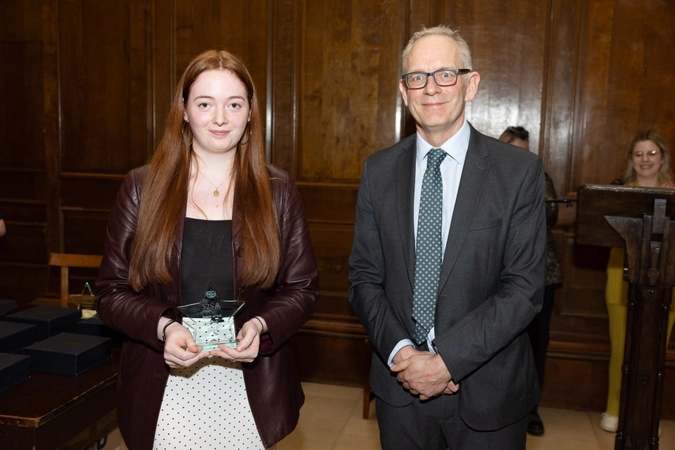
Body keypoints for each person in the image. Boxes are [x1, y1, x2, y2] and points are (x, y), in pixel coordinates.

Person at [95, 49, 319, 450]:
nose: (220, 118)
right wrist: (164, 327)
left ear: (250, 112)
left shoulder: (279, 192)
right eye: (205, 104)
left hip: (249, 386)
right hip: (165, 384)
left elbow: (302, 290)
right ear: (183, 110)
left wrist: (261, 326)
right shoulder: (141, 188)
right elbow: (110, 292)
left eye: (234, 104)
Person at [348, 26, 547, 449]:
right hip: (399, 392)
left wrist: (447, 362)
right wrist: (402, 352)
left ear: (470, 84)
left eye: (444, 74)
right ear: (404, 92)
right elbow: (364, 278)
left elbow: (525, 289)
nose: (430, 88)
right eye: (416, 77)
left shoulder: (518, 173)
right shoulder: (377, 171)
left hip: (488, 395)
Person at [601, 130, 675, 433]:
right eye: (639, 154)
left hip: (667, 286)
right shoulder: (618, 196)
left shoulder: (674, 192)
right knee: (622, 351)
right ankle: (615, 410)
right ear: (631, 160)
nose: (646, 159)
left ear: (663, 158)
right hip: (622, 282)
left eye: (652, 153)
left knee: (655, 354)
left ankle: (648, 416)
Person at [499, 126, 563, 437]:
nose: (518, 157)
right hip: (498, 279)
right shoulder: (489, 174)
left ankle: (531, 409)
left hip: (542, 277)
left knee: (537, 344)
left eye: (524, 151)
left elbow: (552, 214)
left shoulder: (537, 174)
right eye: (512, 149)